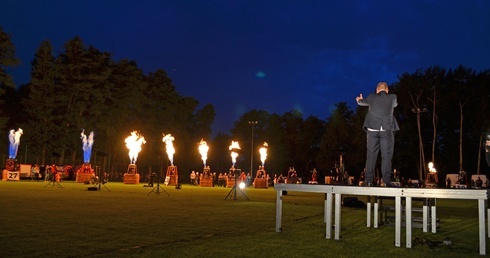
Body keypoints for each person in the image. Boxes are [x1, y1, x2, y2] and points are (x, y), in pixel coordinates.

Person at [356, 82, 399, 187]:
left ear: (377, 90)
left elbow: (361, 102)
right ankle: (386, 180)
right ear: (387, 90)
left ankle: (368, 180)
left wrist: (359, 100)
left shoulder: (371, 97)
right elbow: (395, 105)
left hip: (372, 130)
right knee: (386, 156)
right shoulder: (393, 97)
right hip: (386, 130)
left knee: (371, 155)